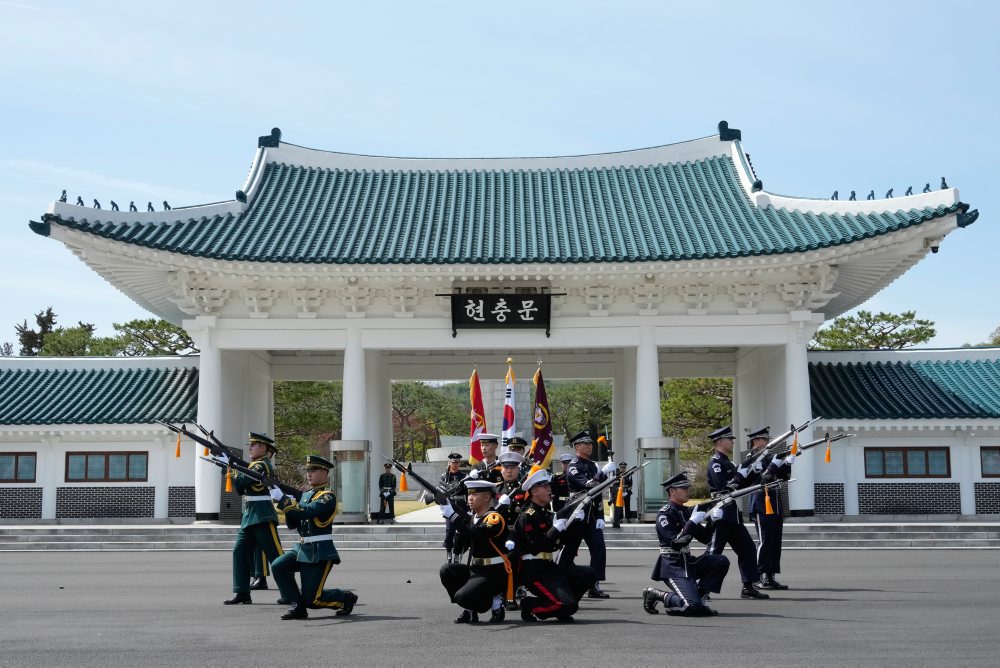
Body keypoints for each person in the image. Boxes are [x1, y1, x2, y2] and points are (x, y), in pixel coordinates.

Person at [270, 455, 358, 620]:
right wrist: (288, 504)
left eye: (313, 470)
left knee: (313, 600)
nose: (309, 474)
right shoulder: (305, 495)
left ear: (325, 472)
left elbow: (307, 512)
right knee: (278, 566)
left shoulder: (327, 497)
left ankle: (345, 597)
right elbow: (292, 524)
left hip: (319, 551)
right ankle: (297, 605)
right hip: (302, 548)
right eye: (308, 470)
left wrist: (283, 500)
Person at [512, 468, 596, 622]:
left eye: (549, 486)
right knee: (568, 606)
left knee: (588, 574)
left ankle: (561, 607)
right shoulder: (527, 516)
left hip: (550, 566)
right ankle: (531, 606)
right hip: (533, 569)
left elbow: (560, 543)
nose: (550, 489)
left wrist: (575, 523)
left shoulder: (548, 514)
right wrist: (554, 530)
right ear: (535, 491)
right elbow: (534, 547)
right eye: (546, 487)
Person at [643, 472, 729, 616]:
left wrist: (714, 521)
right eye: (683, 488)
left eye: (687, 487)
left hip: (688, 562)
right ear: (672, 491)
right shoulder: (665, 514)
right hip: (672, 565)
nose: (687, 490)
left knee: (721, 561)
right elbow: (676, 543)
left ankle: (700, 598)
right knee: (692, 607)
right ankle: (657, 595)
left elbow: (706, 538)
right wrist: (692, 522)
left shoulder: (686, 512)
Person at [705, 425, 769, 600]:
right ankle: (701, 586)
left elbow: (741, 484)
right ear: (720, 441)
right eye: (729, 439)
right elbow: (724, 487)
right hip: (721, 513)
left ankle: (748, 585)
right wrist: (739, 475)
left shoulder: (728, 462)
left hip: (732, 514)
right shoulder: (716, 463)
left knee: (747, 548)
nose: (732, 441)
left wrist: (754, 469)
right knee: (714, 551)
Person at [221, 433, 284, 605]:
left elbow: (241, 483)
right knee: (239, 552)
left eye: (254, 445)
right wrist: (228, 464)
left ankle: (289, 593)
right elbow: (241, 488)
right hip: (250, 514)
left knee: (277, 557)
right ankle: (242, 592)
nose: (250, 448)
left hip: (263, 515)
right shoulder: (255, 465)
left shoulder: (262, 465)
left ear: (263, 448)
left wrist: (229, 466)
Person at [438, 477, 512, 624]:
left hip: (494, 571)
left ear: (486, 497)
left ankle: (494, 602)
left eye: (474, 495)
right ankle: (470, 609)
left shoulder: (494, 518)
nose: (469, 498)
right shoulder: (473, 518)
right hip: (476, 568)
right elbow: (461, 546)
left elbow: (477, 534)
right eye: (469, 494)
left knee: (462, 596)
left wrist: (453, 516)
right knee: (447, 570)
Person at [562, 429, 617, 599]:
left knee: (599, 549)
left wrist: (600, 516)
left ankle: (594, 584)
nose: (589, 446)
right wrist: (602, 473)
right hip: (577, 515)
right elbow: (588, 485)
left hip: (592, 516)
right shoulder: (573, 466)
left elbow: (598, 493)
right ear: (577, 446)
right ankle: (562, 580)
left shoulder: (592, 464)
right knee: (569, 551)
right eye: (586, 444)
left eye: (590, 444)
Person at [744, 427, 795, 590]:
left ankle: (770, 575)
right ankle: (758, 575)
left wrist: (788, 462)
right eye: (765, 440)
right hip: (760, 501)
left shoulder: (770, 456)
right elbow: (762, 476)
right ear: (756, 441)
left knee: (775, 540)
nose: (768, 443)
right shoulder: (753, 458)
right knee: (765, 540)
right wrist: (775, 462)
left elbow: (782, 476)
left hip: (774, 501)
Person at [495, 450, 530, 610]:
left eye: (513, 467)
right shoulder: (495, 490)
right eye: (506, 467)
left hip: (517, 535)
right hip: (498, 535)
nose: (509, 470)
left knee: (515, 563)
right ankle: (500, 594)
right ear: (501, 469)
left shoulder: (524, 490)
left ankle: (512, 594)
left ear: (518, 470)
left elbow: (527, 513)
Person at [250, 437, 281, 591]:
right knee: (257, 548)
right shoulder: (259, 465)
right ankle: (258, 576)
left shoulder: (264, 466)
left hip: (263, 512)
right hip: (255, 511)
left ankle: (285, 582)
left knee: (274, 551)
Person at [441, 452, 469, 563]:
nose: (455, 464)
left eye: (457, 462)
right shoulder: (445, 476)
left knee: (461, 532)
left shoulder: (463, 477)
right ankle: (449, 552)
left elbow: (467, 493)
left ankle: (457, 554)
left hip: (461, 506)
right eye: (453, 462)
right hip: (450, 507)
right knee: (449, 530)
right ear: (449, 462)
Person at [609, 461, 633, 528]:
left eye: (624, 467)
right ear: (619, 467)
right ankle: (620, 518)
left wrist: (627, 491)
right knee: (620, 506)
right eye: (622, 467)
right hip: (619, 492)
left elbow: (630, 484)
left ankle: (628, 518)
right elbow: (614, 484)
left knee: (627, 505)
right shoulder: (617, 475)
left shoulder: (629, 474)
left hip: (626, 492)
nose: (623, 469)